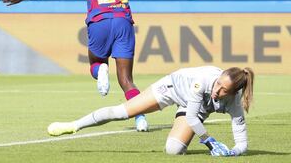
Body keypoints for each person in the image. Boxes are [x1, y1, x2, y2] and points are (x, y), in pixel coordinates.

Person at [2, 0, 209, 132]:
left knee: (95, 63)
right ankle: (140, 117)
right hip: (123, 22)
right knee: (126, 80)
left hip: (100, 21)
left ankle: (101, 69)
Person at [47, 66, 254, 156]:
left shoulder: (235, 103)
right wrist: (209, 141)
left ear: (233, 92)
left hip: (192, 107)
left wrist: (232, 153)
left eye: (223, 90)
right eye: (217, 84)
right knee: (121, 112)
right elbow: (192, 117)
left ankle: (179, 126)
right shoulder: (204, 81)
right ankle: (74, 125)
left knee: (174, 150)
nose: (216, 90)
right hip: (171, 89)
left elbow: (242, 142)